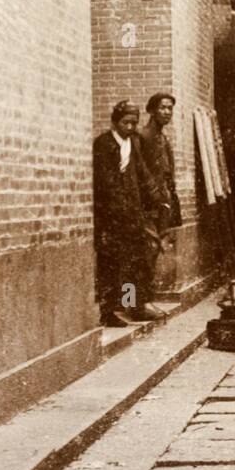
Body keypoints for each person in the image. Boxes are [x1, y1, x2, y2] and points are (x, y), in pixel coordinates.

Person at [93, 100, 165, 326]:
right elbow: (106, 182)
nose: (131, 127)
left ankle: (131, 305)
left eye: (134, 122)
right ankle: (110, 310)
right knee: (111, 265)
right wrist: (119, 207)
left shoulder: (132, 144)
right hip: (111, 218)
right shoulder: (104, 144)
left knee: (135, 263)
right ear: (115, 122)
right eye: (126, 122)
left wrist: (157, 197)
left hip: (132, 216)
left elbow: (142, 174)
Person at [136, 92, 183, 237]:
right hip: (147, 203)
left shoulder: (163, 139)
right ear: (151, 110)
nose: (167, 112)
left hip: (163, 203)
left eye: (170, 109)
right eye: (163, 108)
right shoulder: (141, 136)